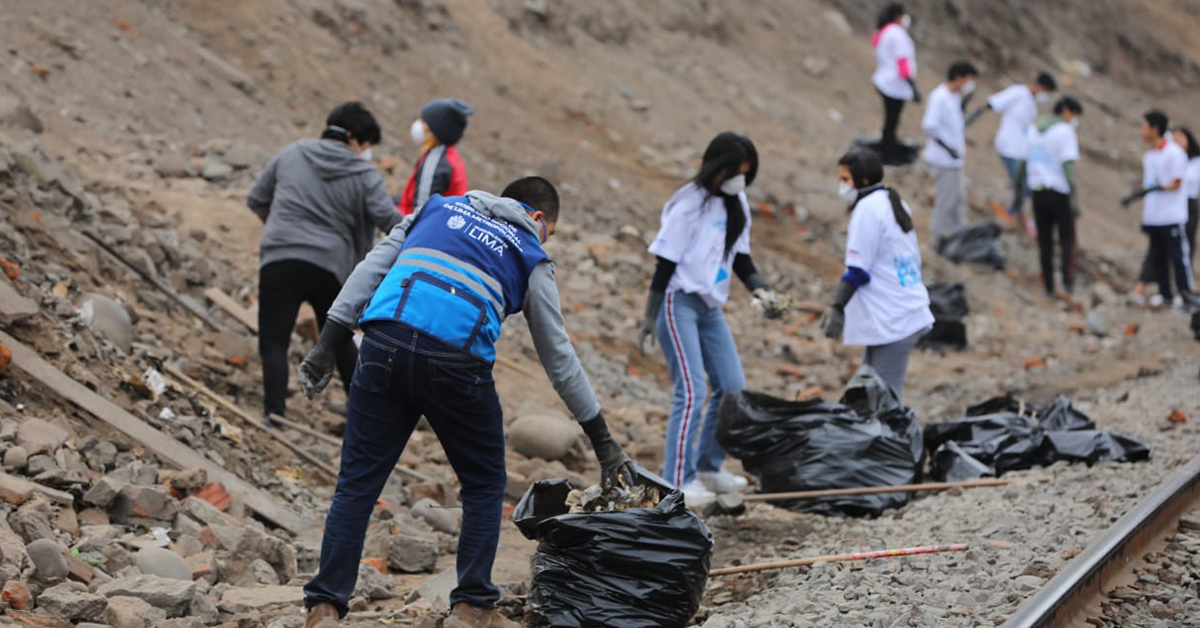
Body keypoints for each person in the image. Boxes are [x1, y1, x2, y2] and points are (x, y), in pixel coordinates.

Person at [296, 177, 636, 628]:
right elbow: (558, 356)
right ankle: (472, 605)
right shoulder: (531, 252)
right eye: (548, 231)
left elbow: (371, 268)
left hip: (382, 342)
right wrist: (603, 440)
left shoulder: (434, 210)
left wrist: (327, 344)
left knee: (356, 483)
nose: (544, 239)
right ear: (539, 219)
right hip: (455, 363)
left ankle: (324, 606)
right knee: (482, 484)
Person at [637, 132, 790, 506]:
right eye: (735, 171)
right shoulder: (688, 204)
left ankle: (708, 465)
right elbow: (665, 264)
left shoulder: (737, 203)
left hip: (709, 306)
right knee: (691, 390)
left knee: (732, 386)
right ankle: (677, 480)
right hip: (678, 303)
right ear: (716, 167)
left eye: (746, 173)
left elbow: (740, 259)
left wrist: (763, 290)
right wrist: (649, 318)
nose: (740, 180)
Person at [247, 101, 401, 424]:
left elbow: (256, 199)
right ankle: (363, 415)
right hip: (331, 266)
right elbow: (389, 219)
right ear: (354, 139)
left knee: (274, 339)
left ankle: (274, 413)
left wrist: (279, 231)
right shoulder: (363, 174)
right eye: (367, 145)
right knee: (339, 340)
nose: (366, 153)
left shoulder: (291, 154)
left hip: (280, 257)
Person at [820, 149, 932, 400]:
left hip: (895, 318)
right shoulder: (892, 202)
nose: (841, 186)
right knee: (868, 393)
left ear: (864, 181)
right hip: (900, 311)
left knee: (886, 399)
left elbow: (858, 270)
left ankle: (900, 440)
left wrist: (837, 306)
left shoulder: (868, 209)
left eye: (846, 180)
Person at [1122, 111, 1196, 309]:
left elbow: (1177, 182)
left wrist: (1158, 188)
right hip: (1154, 216)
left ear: (1155, 129)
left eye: (1144, 126)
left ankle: (1187, 294)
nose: (1141, 131)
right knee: (1158, 257)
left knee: (1179, 256)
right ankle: (1166, 295)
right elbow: (1150, 183)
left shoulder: (1174, 153)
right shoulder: (1150, 155)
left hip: (1171, 215)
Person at [967, 72, 1058, 233]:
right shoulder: (1018, 93)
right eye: (1046, 91)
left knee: (1026, 185)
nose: (1046, 96)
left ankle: (1015, 212)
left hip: (1021, 150)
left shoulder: (1031, 103)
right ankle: (1011, 214)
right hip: (1008, 147)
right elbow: (994, 102)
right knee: (1022, 185)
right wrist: (974, 115)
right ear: (1040, 86)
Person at [1016, 97, 1083, 298]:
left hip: (1037, 192)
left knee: (1044, 241)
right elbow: (1067, 166)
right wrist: (1074, 195)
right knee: (1067, 240)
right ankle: (1068, 282)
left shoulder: (1034, 129)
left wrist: (1019, 190)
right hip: (1059, 192)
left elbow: (1022, 162)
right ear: (1067, 111)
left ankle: (1049, 287)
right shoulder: (1064, 131)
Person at [922, 61, 979, 247]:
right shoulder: (940, 97)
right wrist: (948, 148)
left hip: (954, 161)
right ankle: (936, 241)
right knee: (946, 202)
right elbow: (929, 126)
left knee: (959, 201)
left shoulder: (954, 98)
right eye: (968, 79)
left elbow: (957, 124)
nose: (969, 83)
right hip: (943, 160)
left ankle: (958, 238)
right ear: (958, 78)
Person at [397, 98, 474, 215]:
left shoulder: (435, 164)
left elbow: (420, 213)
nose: (419, 125)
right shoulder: (449, 155)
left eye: (424, 122)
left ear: (436, 131)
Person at [871, 3, 920, 165]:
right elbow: (902, 61)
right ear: (898, 16)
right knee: (892, 121)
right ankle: (888, 154)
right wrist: (913, 87)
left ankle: (887, 148)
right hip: (895, 85)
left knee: (890, 120)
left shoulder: (885, 31)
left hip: (885, 80)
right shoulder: (897, 34)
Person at [1171, 126, 1199, 266]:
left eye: (1179, 138)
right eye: (1174, 139)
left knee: (1187, 239)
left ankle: (1185, 274)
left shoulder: (1196, 161)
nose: (1177, 142)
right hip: (1173, 202)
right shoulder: (1173, 159)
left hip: (1189, 202)